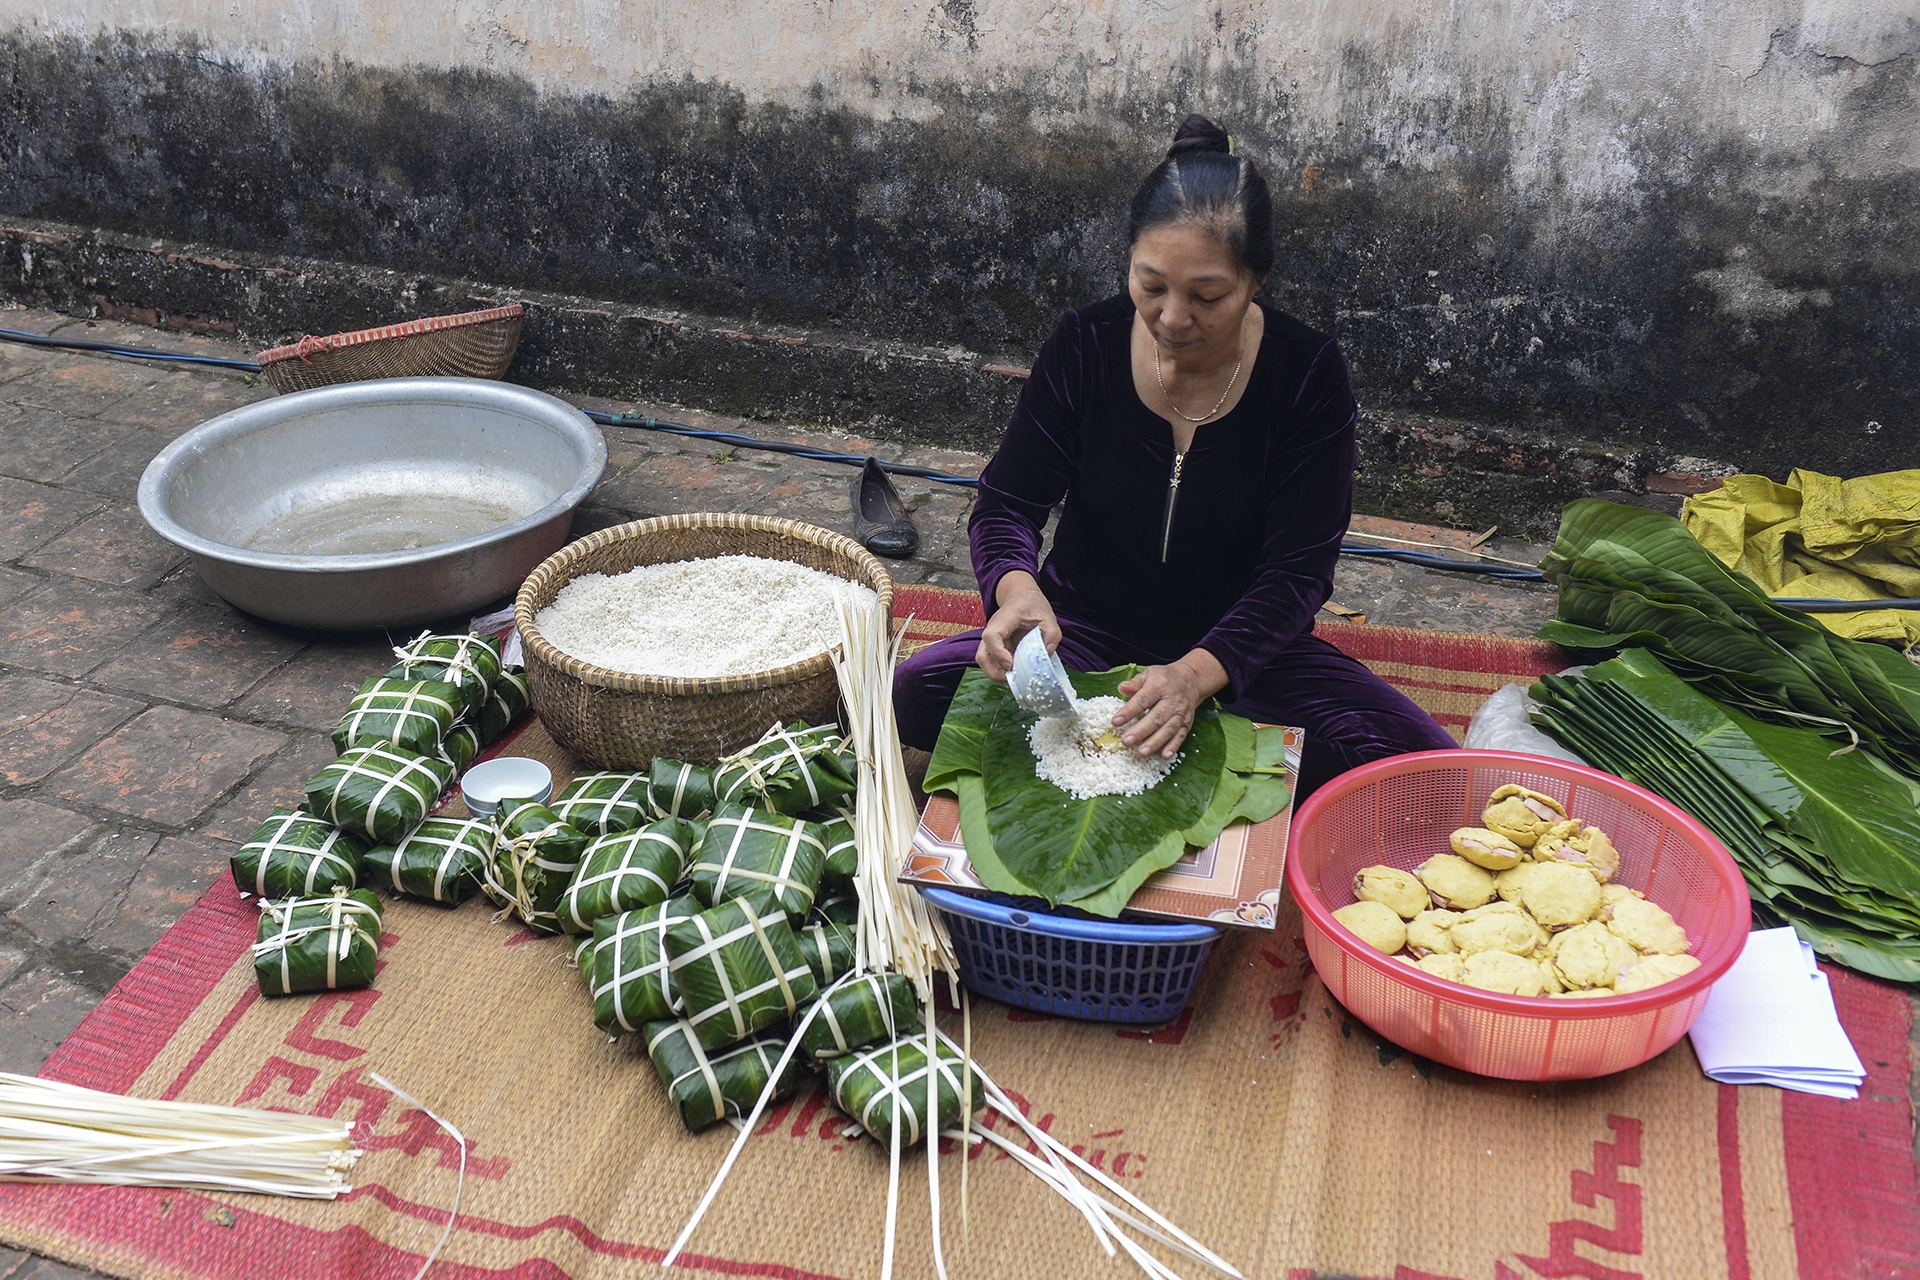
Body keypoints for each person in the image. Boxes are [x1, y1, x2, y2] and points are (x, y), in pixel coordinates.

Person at [893, 113, 1456, 801]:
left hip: (1240, 654)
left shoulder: (1306, 374)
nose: (1171, 318)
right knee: (916, 692)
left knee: (1421, 769)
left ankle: (1191, 725)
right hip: (1085, 633)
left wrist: (1194, 674)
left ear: (1257, 281)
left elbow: (1297, 573)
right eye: (1150, 285)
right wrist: (1017, 591)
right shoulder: (1084, 345)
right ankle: (1206, 753)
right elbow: (1007, 505)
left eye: (1207, 295)